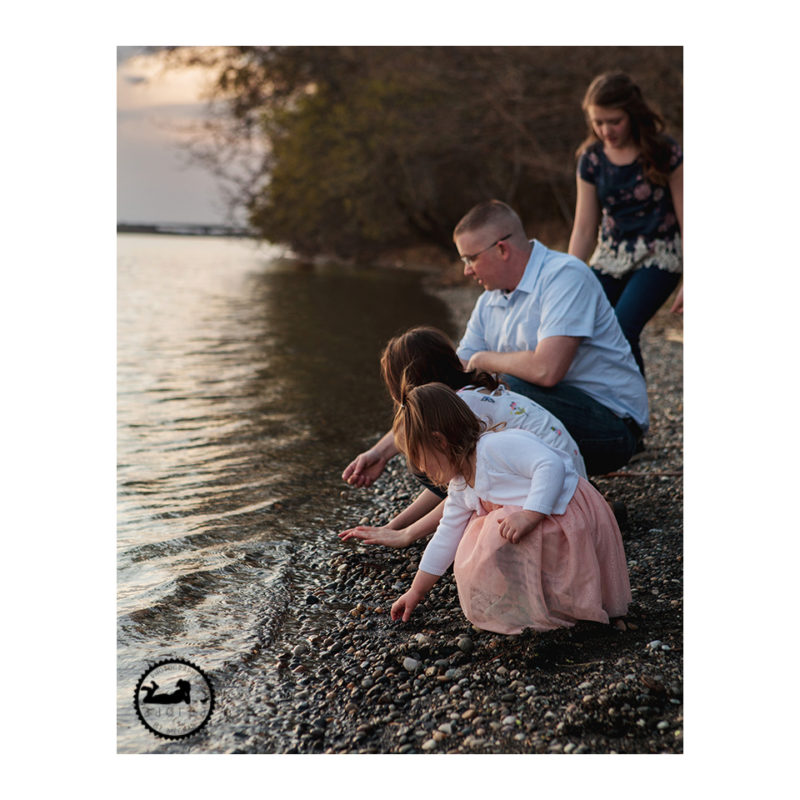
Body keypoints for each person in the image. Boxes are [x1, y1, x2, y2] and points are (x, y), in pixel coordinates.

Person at [389, 383, 631, 634]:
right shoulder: (460, 485)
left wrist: (531, 514)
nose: (422, 470)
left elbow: (550, 465)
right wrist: (415, 591)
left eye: (420, 459)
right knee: (482, 536)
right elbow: (445, 535)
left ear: (439, 441)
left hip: (567, 511)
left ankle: (581, 605)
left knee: (500, 532)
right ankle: (540, 601)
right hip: (541, 522)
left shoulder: (495, 448)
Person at [340, 326, 586, 548]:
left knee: (421, 465)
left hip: (554, 493)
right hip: (573, 483)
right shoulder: (474, 392)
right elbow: (460, 487)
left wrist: (405, 533)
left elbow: (461, 490)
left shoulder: (462, 410)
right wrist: (393, 527)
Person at [454, 199, 648, 476]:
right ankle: (560, 501)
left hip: (611, 428)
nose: (466, 270)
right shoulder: (489, 301)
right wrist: (388, 446)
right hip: (555, 417)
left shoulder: (565, 276)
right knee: (453, 410)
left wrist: (482, 359)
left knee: (502, 390)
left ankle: (570, 501)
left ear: (501, 249)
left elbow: (547, 371)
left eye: (470, 258)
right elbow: (454, 376)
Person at [568, 71, 683, 375]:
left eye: (614, 120)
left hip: (660, 254)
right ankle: (606, 408)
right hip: (611, 256)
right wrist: (565, 280)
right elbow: (583, 227)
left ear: (631, 114)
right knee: (584, 327)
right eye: (598, 122)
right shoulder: (591, 159)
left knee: (621, 327)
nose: (606, 130)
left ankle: (634, 417)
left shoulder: (664, 151)